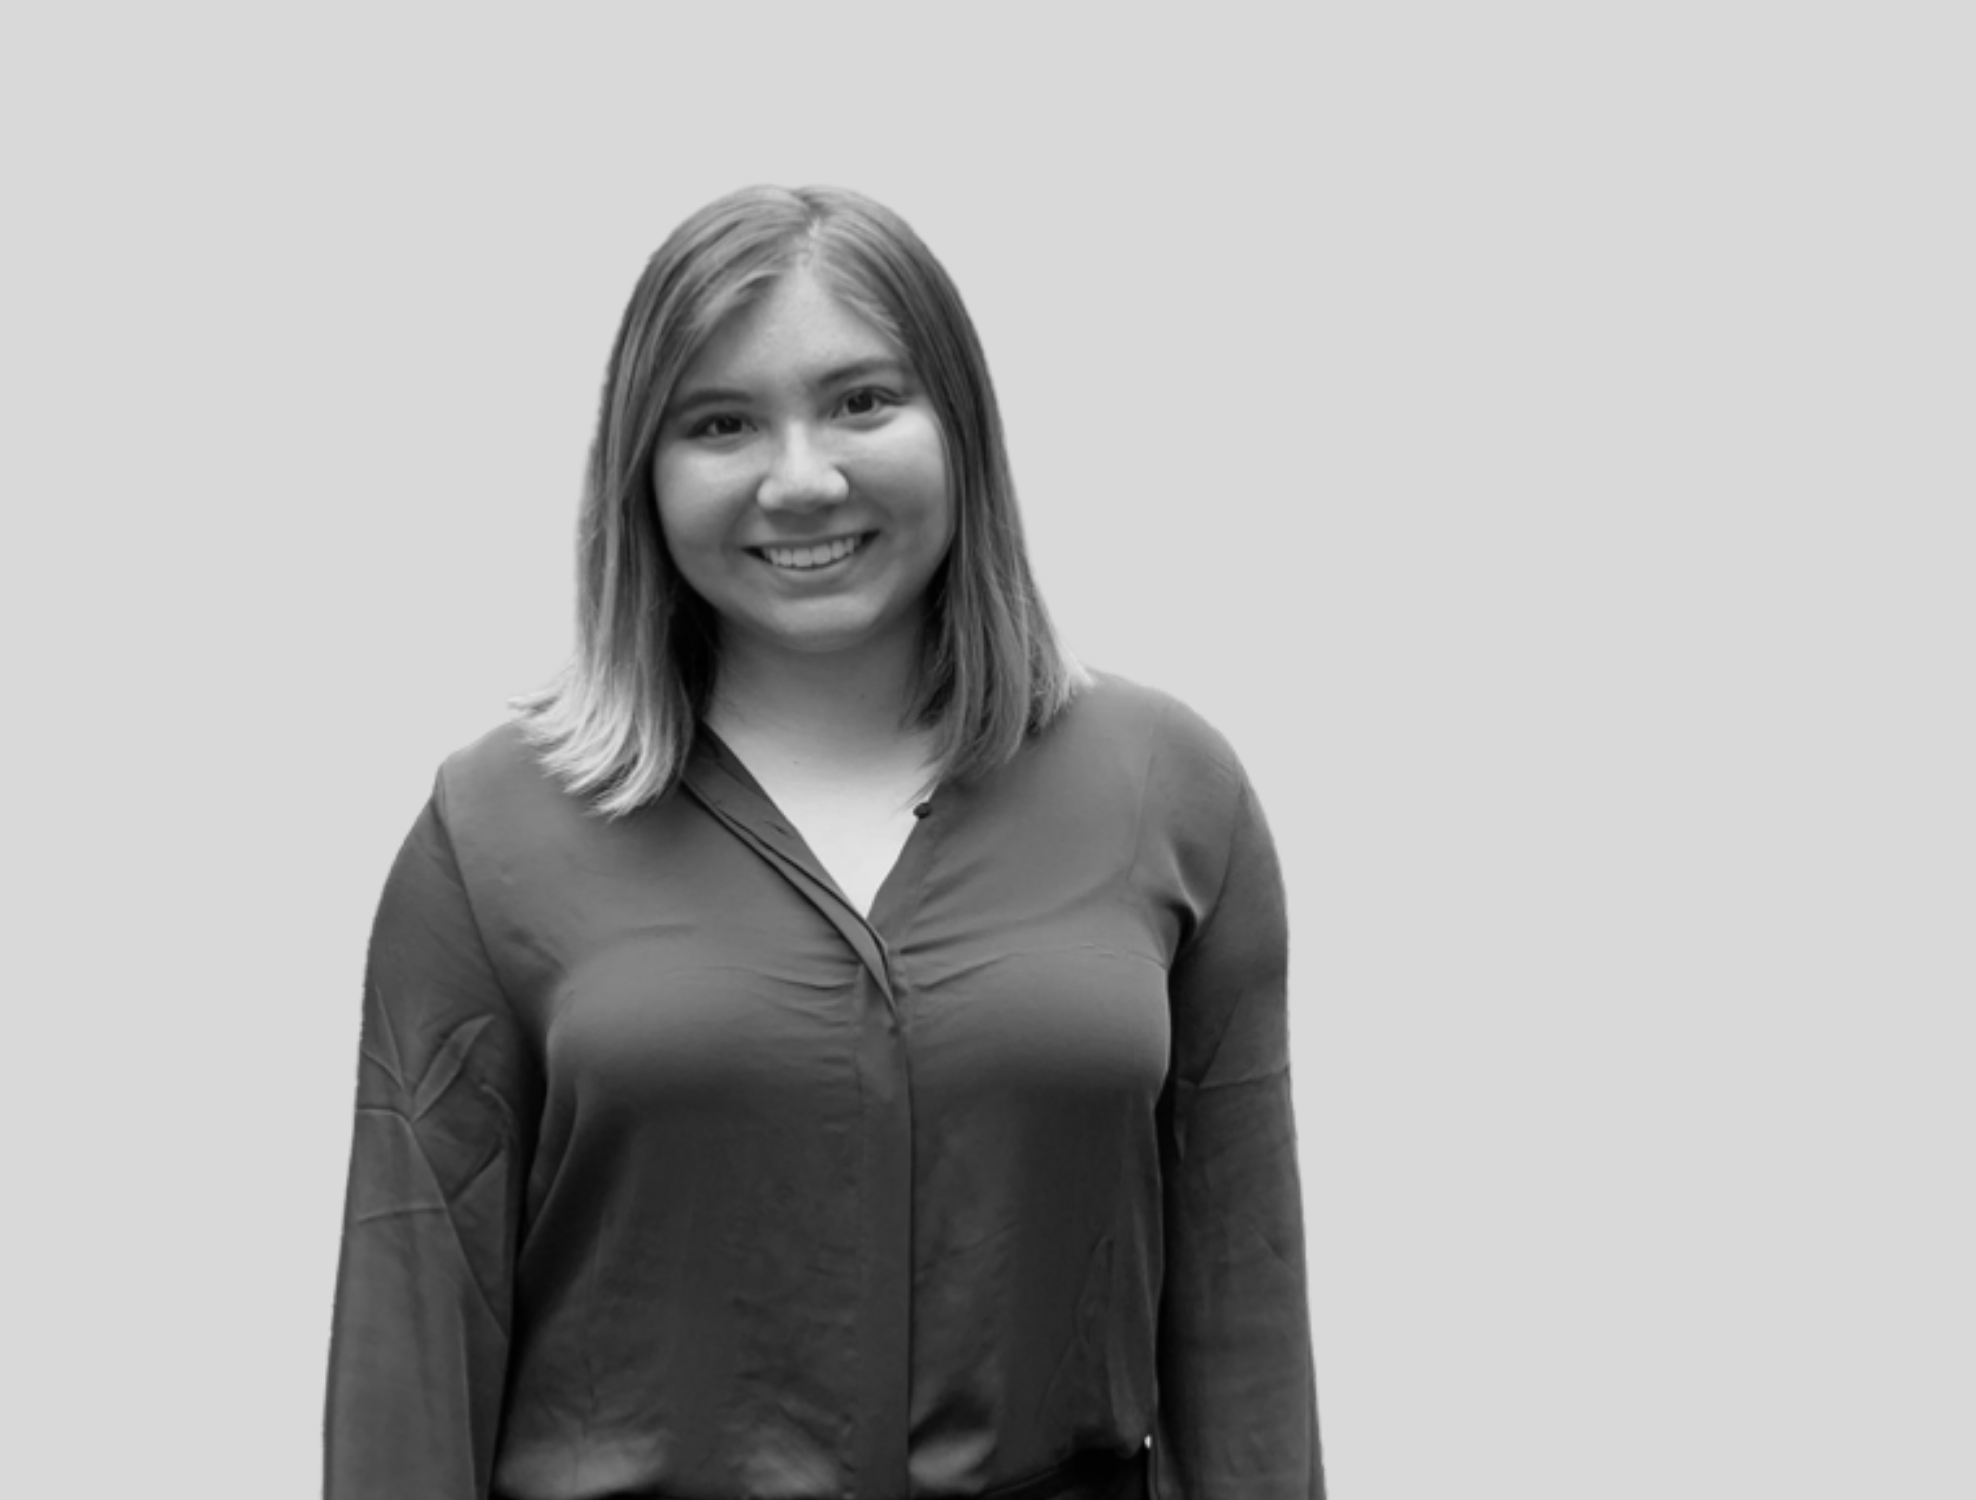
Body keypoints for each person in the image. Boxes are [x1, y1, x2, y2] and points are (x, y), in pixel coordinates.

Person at [324, 185, 1325, 1500]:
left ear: (960, 429)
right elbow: (412, 1337)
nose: (800, 479)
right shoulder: (492, 831)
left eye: (862, 401)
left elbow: (1241, 1325)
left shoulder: (1167, 791)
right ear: (643, 469)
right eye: (721, 423)